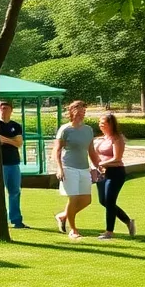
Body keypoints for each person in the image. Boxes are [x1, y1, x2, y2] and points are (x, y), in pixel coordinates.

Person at [54, 100, 101, 240]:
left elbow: (91, 151)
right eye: (79, 111)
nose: (82, 114)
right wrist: (59, 168)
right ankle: (73, 230)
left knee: (87, 200)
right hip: (68, 168)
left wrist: (99, 166)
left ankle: (63, 216)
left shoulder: (88, 130)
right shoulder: (65, 129)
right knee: (73, 199)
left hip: (84, 168)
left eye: (84, 112)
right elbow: (56, 150)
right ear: (72, 112)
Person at [95, 112, 135, 240]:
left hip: (115, 172)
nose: (101, 125)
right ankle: (128, 221)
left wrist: (102, 163)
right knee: (103, 201)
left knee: (110, 201)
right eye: (100, 123)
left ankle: (109, 232)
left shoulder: (117, 138)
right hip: (101, 173)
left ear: (111, 124)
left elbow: (117, 158)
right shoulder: (101, 139)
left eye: (103, 123)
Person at [0, 101, 26, 229]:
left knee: (15, 191)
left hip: (13, 163)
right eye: (2, 108)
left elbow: (19, 143)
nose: (4, 110)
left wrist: (4, 140)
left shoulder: (16, 125)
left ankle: (16, 219)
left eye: (6, 108)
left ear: (11, 110)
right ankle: (0, 219)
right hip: (0, 163)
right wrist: (12, 140)